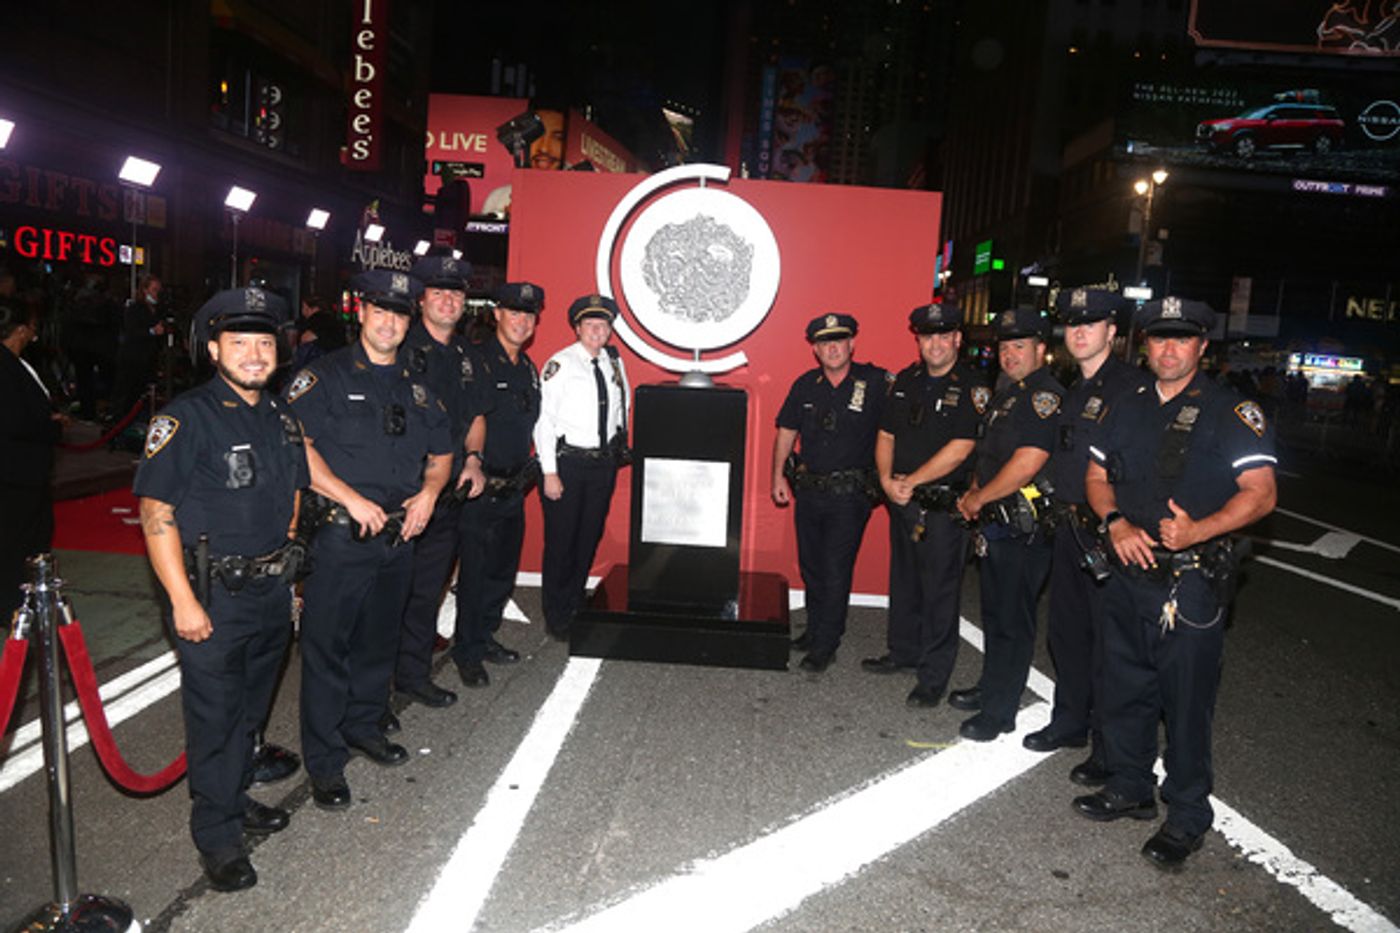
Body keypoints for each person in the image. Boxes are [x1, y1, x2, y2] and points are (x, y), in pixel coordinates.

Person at [1074, 296, 1276, 869]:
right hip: (1126, 572)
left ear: (1202, 347)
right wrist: (1114, 523)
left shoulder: (1229, 410)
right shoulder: (1126, 404)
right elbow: (1095, 474)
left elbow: (1261, 493)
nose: (1168, 349)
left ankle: (1187, 816)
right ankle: (1130, 786)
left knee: (1186, 706)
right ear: (1145, 344)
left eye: (1181, 339)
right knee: (1124, 690)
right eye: (1159, 337)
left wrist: (1197, 532)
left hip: (1187, 588)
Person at [132, 287, 305, 892]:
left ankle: (234, 798)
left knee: (251, 716)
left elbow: (293, 493)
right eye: (240, 344)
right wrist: (182, 600)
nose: (255, 355)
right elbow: (157, 513)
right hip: (212, 597)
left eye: (264, 343)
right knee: (216, 720)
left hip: (269, 591)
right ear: (213, 349)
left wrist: (288, 570)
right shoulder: (186, 418)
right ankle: (218, 835)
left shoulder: (280, 415)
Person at [285, 270, 451, 812]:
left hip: (399, 536)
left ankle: (363, 726)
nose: (389, 323)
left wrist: (429, 492)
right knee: (327, 649)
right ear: (362, 314)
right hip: (342, 537)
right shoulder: (325, 376)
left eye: (399, 314)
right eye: (380, 311)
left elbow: (443, 453)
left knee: (378, 644)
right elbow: (297, 447)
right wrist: (347, 497)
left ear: (409, 322)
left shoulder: (419, 386)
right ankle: (326, 761)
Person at [1023, 288, 1151, 783]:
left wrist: (1119, 521)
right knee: (1067, 635)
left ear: (1112, 333)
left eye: (1091, 324)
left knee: (1110, 647)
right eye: (1073, 325)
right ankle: (1070, 721)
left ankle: (1106, 746)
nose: (1079, 332)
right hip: (1069, 529)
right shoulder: (1072, 389)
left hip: (1106, 533)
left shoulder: (1131, 390)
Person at [952, 308, 1065, 741]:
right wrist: (976, 492)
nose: (1010, 354)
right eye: (1004, 346)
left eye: (1020, 346)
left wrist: (979, 496)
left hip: (1025, 529)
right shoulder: (1006, 393)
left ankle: (1001, 712)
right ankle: (990, 687)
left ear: (1041, 350)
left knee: (1014, 622)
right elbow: (991, 453)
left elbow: (1027, 462)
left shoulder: (1044, 396)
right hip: (998, 523)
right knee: (995, 614)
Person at [864, 303, 986, 701]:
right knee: (905, 582)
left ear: (957, 339)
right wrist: (886, 481)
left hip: (943, 508)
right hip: (902, 500)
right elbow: (885, 435)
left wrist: (911, 481)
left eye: (943, 335)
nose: (934, 343)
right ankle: (903, 652)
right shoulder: (905, 381)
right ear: (918, 340)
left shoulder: (972, 385)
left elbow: (963, 446)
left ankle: (933, 678)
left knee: (939, 593)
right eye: (927, 336)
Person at [770, 313, 887, 672]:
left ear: (852, 344)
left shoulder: (876, 382)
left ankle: (826, 643)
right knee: (812, 566)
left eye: (839, 341)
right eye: (824, 343)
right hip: (808, 491)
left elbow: (894, 434)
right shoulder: (806, 384)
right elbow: (786, 432)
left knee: (836, 569)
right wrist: (777, 476)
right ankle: (815, 629)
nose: (832, 348)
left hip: (849, 495)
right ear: (816, 350)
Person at [452, 282, 544, 687]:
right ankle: (467, 651)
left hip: (514, 486)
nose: (522, 321)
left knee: (502, 572)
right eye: (514, 313)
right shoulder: (476, 361)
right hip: (481, 490)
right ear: (497, 315)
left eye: (529, 316)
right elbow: (466, 420)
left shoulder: (527, 367)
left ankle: (485, 636)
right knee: (474, 573)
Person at [394, 254, 475, 709]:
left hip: (448, 496)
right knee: (390, 594)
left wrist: (474, 459)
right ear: (422, 299)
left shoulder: (464, 354)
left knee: (426, 592)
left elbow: (476, 413)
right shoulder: (402, 347)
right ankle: (372, 686)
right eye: (439, 292)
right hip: (406, 492)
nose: (448, 300)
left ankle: (411, 676)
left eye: (456, 293)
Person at [535, 294, 630, 642]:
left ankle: (574, 599)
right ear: (577, 328)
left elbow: (623, 405)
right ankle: (556, 613)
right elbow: (544, 421)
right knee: (562, 541)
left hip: (602, 465)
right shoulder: (560, 364)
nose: (597, 330)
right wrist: (549, 472)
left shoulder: (613, 362)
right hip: (568, 464)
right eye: (590, 324)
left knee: (589, 535)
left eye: (603, 325)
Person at [1, 303, 67, 616]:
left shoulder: (18, 364)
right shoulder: (6, 367)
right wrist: (51, 425)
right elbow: (14, 421)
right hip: (16, 472)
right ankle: (16, 605)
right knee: (19, 542)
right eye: (31, 324)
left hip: (26, 472)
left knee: (30, 538)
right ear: (20, 329)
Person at [112, 273, 167, 416]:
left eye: (158, 290)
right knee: (127, 394)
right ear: (145, 290)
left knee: (141, 394)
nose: (156, 294)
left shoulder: (158, 310)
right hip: (132, 358)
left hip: (147, 359)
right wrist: (151, 331)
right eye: (154, 290)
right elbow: (132, 332)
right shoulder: (134, 308)